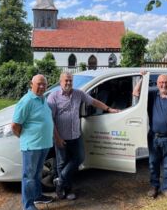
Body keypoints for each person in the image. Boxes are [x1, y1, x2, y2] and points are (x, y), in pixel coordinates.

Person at [47, 72, 119, 200]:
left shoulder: (78, 94)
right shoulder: (53, 97)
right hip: (61, 137)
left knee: (79, 158)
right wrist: (57, 138)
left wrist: (108, 109)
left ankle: (60, 180)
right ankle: (65, 190)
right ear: (60, 81)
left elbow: (93, 101)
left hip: (76, 135)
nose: (68, 83)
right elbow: (50, 119)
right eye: (66, 81)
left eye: (70, 80)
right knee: (62, 163)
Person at [133, 72, 167, 199]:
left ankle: (166, 188)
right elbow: (135, 93)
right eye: (161, 82)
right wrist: (142, 78)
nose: (164, 85)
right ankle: (154, 186)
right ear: (157, 84)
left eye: (166, 82)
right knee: (153, 163)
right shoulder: (151, 95)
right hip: (154, 137)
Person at [12, 74, 54, 210]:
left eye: (44, 84)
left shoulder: (43, 99)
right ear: (31, 84)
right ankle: (28, 206)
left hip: (43, 144)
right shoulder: (26, 101)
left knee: (37, 174)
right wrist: (25, 139)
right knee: (29, 176)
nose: (42, 86)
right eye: (39, 84)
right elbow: (15, 125)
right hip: (32, 146)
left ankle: (37, 196)